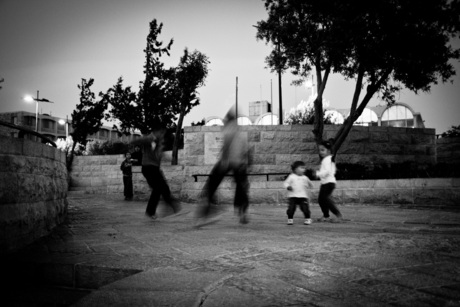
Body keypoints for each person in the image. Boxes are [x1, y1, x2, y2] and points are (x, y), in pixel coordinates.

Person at [197, 106, 250, 224]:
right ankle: (242, 210)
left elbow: (227, 143)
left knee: (212, 184)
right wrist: (246, 162)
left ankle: (207, 208)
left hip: (228, 161)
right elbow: (246, 150)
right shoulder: (239, 130)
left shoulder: (229, 129)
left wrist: (224, 159)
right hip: (240, 163)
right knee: (242, 187)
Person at [131, 130, 180, 219]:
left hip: (155, 169)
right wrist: (148, 138)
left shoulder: (159, 146)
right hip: (148, 168)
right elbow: (135, 141)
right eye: (159, 134)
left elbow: (160, 155)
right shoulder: (147, 143)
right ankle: (170, 206)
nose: (161, 137)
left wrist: (167, 157)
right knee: (159, 188)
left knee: (161, 188)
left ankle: (156, 210)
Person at [316, 139, 342, 222]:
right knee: (321, 200)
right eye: (320, 150)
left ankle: (338, 215)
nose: (321, 152)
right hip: (326, 183)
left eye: (323, 150)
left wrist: (318, 174)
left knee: (325, 199)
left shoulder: (327, 160)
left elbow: (327, 172)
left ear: (329, 150)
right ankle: (326, 216)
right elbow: (332, 170)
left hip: (328, 183)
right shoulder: (328, 159)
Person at [284, 161, 314, 225]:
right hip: (293, 196)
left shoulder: (305, 178)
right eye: (302, 168)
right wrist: (288, 186)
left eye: (304, 168)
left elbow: (311, 184)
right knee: (291, 209)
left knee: (305, 208)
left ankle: (308, 219)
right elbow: (286, 183)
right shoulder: (291, 176)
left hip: (303, 196)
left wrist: (311, 187)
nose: (304, 169)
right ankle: (290, 219)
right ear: (295, 169)